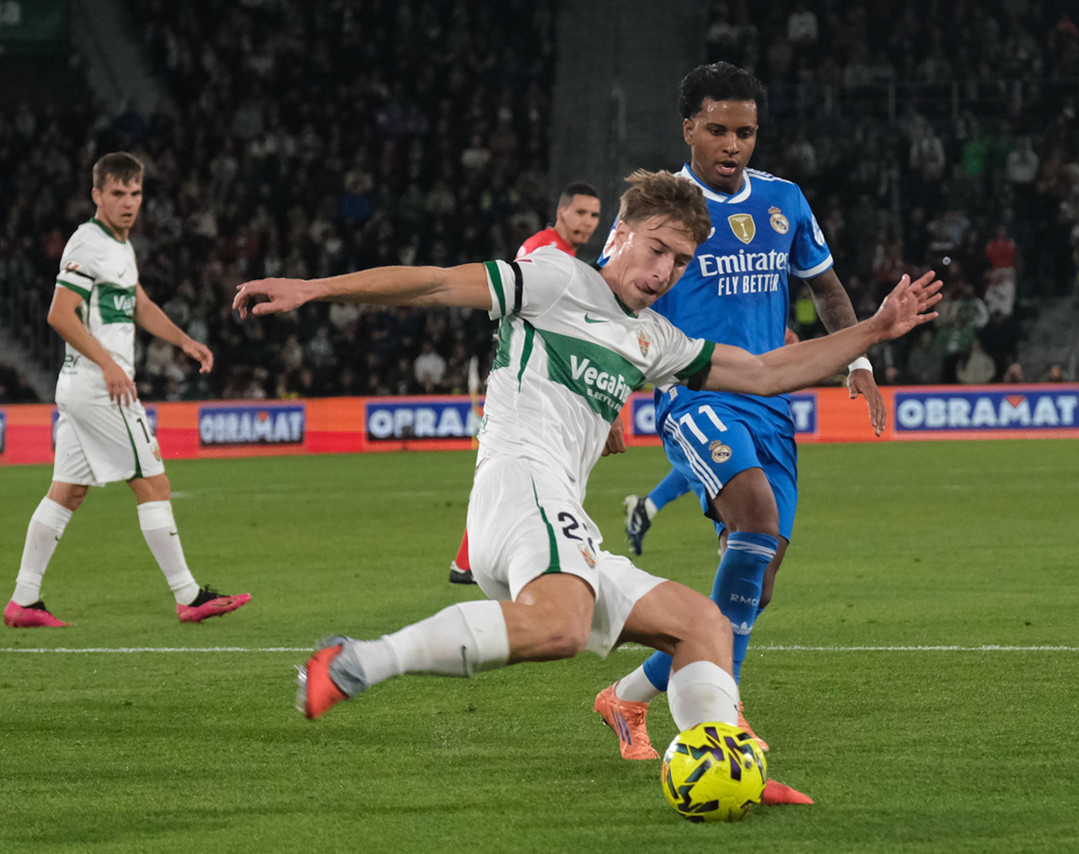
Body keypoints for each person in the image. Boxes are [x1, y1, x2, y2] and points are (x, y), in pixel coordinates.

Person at [232, 170, 940, 806]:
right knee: (562, 626)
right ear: (621, 233)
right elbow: (436, 283)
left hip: (558, 512)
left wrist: (875, 330)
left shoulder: (653, 338)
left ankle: (730, 766)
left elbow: (761, 374)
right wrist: (316, 289)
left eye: (682, 262)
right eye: (657, 249)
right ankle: (356, 661)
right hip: (519, 486)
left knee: (703, 626)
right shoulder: (552, 277)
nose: (665, 271)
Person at [598, 62, 885, 760]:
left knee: (756, 582)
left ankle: (626, 698)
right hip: (694, 396)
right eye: (719, 130)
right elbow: (607, 304)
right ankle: (721, 716)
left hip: (771, 403)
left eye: (746, 132)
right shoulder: (654, 211)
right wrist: (605, 397)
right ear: (689, 128)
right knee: (754, 518)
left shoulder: (785, 201)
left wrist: (859, 362)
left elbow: (827, 290)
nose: (733, 145)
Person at [5, 152, 251, 628]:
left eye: (135, 193)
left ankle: (24, 600)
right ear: (97, 195)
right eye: (117, 193)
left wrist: (183, 341)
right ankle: (189, 595)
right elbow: (58, 314)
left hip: (84, 387)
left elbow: (139, 305)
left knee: (68, 492)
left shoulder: (121, 246)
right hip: (100, 387)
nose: (128, 202)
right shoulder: (88, 242)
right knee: (154, 482)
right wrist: (108, 365)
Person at [449, 182, 603, 585]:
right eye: (582, 213)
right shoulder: (543, 250)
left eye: (595, 216)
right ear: (562, 211)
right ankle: (481, 558)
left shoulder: (563, 256)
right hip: (527, 378)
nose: (588, 222)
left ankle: (468, 561)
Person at [623, 327, 798, 556]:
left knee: (723, 462)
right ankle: (649, 508)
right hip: (697, 387)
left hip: (748, 391)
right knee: (728, 470)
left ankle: (647, 507)